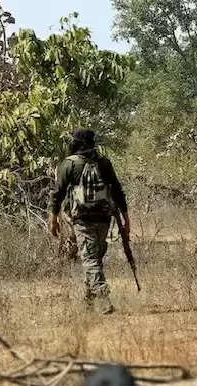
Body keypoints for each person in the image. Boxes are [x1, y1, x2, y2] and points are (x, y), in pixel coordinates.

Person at [48, 129, 130, 314]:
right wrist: (126, 218)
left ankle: (104, 299)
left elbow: (58, 193)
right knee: (94, 259)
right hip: (104, 218)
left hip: (82, 219)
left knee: (90, 259)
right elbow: (117, 191)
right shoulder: (104, 163)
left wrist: (53, 218)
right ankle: (89, 304)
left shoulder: (69, 164)